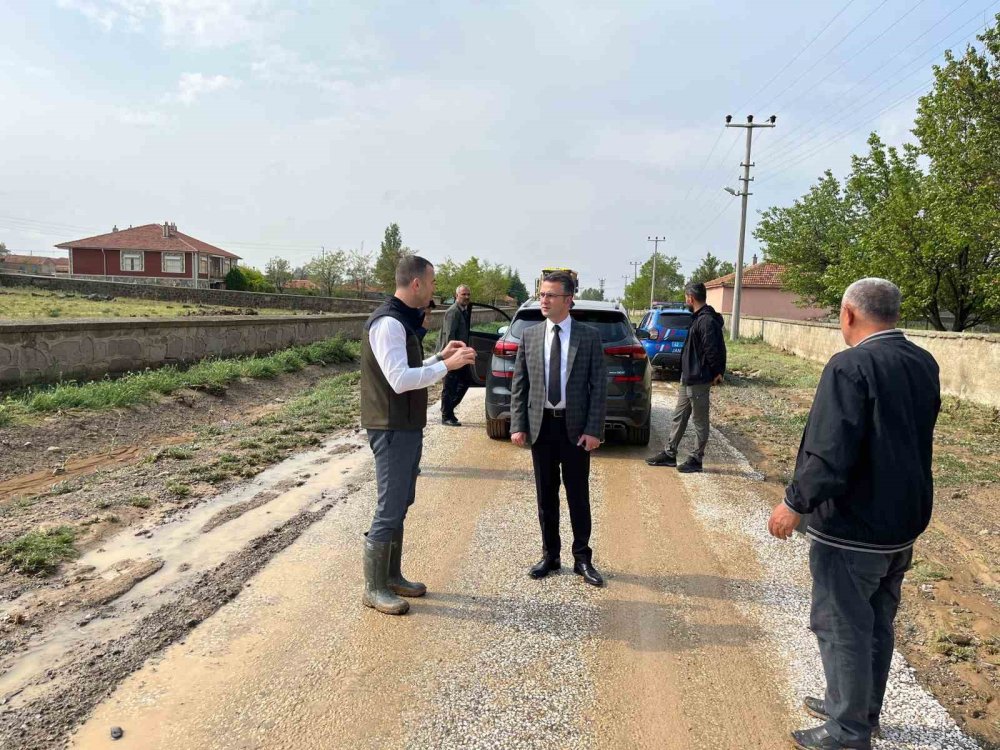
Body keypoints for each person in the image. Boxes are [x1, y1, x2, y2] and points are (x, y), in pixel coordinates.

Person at [768, 278, 940, 750]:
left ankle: (847, 732)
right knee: (876, 621)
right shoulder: (922, 361)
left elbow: (829, 450)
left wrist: (793, 503)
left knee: (841, 625)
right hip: (901, 523)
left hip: (853, 526)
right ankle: (860, 708)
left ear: (848, 314)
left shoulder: (851, 366)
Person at [360, 256, 476, 616]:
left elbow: (409, 369)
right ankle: (374, 588)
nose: (433, 290)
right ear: (415, 284)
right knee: (389, 506)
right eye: (431, 283)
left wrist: (438, 356)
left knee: (401, 502)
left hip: (406, 425)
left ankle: (392, 577)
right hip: (391, 425)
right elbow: (398, 380)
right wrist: (447, 366)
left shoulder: (401, 322)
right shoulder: (388, 324)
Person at [510, 271, 608, 587]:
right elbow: (520, 385)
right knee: (545, 497)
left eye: (551, 295)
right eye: (542, 294)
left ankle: (583, 559)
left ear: (568, 300)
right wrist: (518, 424)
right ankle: (550, 556)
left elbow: (599, 387)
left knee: (578, 496)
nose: (544, 300)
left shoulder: (589, 337)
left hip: (576, 429)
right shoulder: (530, 335)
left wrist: (594, 430)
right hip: (542, 429)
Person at [646, 281, 726, 473]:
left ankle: (696, 459)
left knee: (700, 421)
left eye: (685, 297)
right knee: (679, 416)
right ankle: (670, 454)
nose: (686, 301)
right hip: (687, 377)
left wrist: (717, 372)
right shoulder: (698, 317)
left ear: (690, 297)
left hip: (698, 379)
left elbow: (713, 350)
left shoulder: (706, 320)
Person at [438, 285, 473, 426]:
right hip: (453, 356)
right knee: (450, 386)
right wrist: (451, 357)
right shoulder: (453, 312)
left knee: (465, 381)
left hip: (460, 355)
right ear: (456, 295)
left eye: (468, 294)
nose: (466, 297)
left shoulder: (463, 311)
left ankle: (448, 410)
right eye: (464, 294)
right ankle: (446, 415)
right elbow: (449, 337)